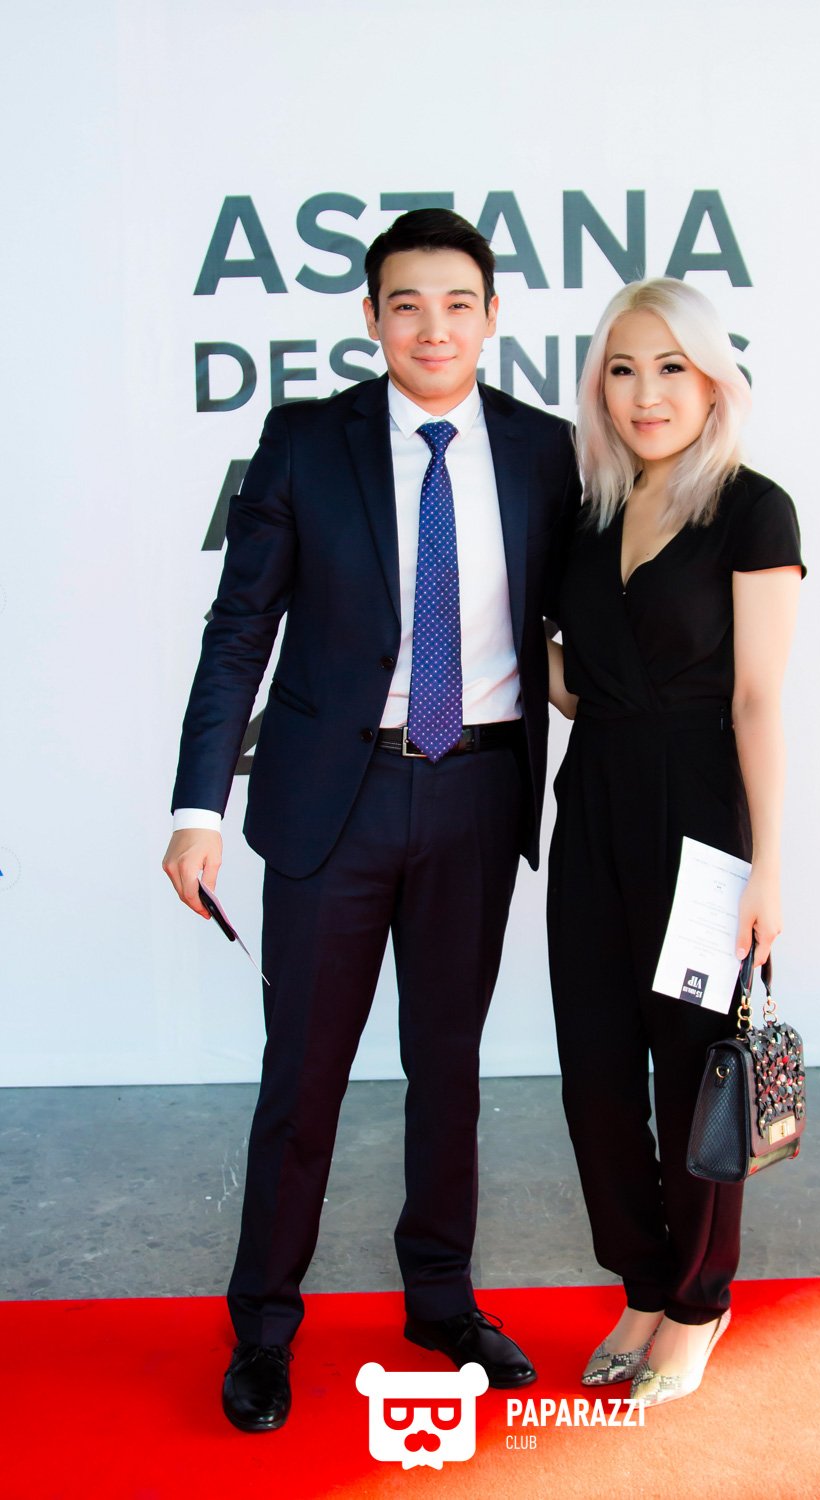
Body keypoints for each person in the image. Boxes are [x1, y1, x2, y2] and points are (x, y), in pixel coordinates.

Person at [162, 209, 581, 1431]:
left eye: (456, 304)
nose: (432, 328)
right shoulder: (306, 441)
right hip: (328, 804)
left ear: (492, 316)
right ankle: (263, 1328)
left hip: (477, 793)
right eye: (406, 305)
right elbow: (239, 629)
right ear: (371, 318)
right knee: (303, 1075)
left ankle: (440, 1302)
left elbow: (579, 622)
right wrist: (197, 805)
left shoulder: (546, 450)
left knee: (448, 1069)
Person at [546, 277, 803, 1407]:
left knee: (696, 1072)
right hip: (593, 805)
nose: (646, 394)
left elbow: (756, 700)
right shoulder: (586, 512)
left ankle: (699, 1303)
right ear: (598, 387)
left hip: (703, 821)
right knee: (595, 1074)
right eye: (622, 369)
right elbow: (577, 687)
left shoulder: (753, 509)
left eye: (671, 369)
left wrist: (768, 868)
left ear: (712, 383)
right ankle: (643, 1286)